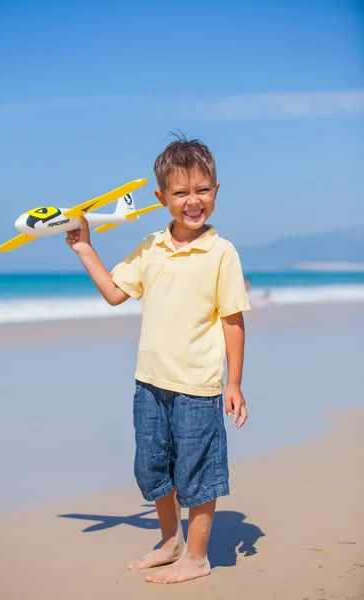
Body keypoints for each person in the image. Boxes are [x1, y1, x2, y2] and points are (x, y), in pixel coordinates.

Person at [66, 138, 251, 584]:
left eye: (203, 190)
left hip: (198, 387)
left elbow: (233, 320)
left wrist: (234, 382)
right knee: (152, 466)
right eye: (182, 193)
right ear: (161, 198)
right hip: (149, 382)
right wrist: (85, 248)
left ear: (216, 190)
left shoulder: (221, 252)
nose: (193, 201)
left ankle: (198, 556)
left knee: (197, 470)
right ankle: (171, 542)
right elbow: (114, 293)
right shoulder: (150, 246)